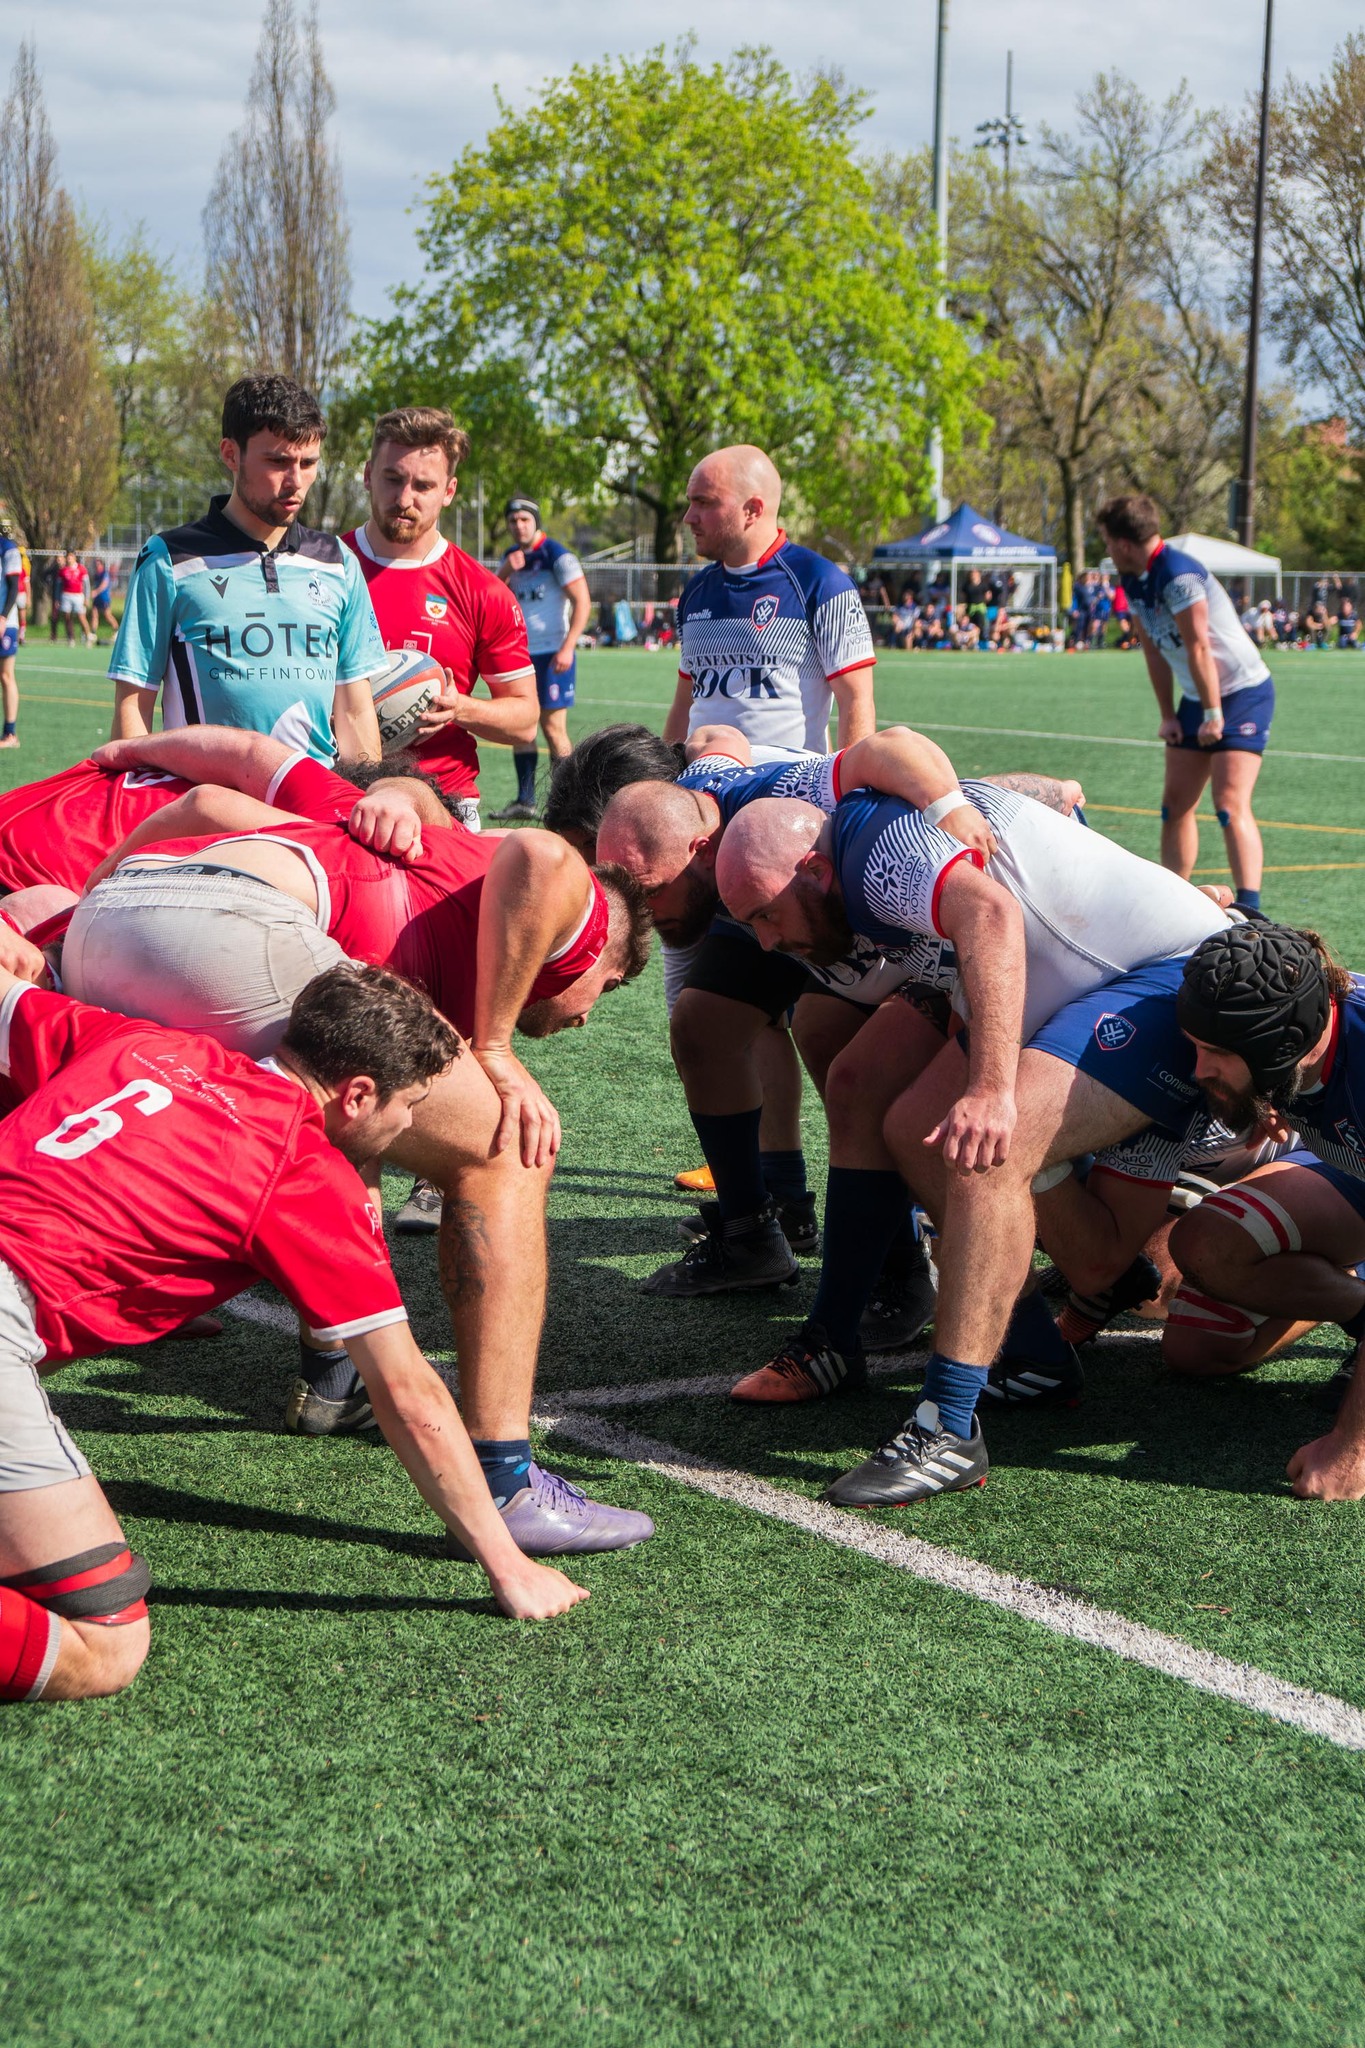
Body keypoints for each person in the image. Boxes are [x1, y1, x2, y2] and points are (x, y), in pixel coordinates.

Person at [49, 725, 656, 1558]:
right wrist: (494, 1046)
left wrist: (91, 912)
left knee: (341, 1123)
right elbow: (545, 859)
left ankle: (332, 1374)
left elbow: (201, 802)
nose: (588, 1014)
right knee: (509, 1149)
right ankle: (506, 1479)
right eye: (609, 988)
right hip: (236, 932)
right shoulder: (582, 918)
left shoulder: (356, 823)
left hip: (116, 917)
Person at [0, 959, 592, 1705]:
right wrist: (509, 1566)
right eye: (409, 1104)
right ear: (358, 1095)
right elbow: (408, 1394)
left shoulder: (141, 1045)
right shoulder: (303, 1172)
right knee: (103, 1643)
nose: (409, 1126)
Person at [710, 777, 1231, 1483]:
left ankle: (946, 1427)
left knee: (992, 1154)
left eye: (768, 916)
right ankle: (1031, 1356)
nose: (769, 941)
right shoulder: (849, 850)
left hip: (1167, 980)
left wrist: (990, 1090)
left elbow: (987, 913)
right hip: (1080, 988)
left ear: (813, 870)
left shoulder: (871, 858)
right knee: (918, 1127)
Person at [638, 443, 878, 1286]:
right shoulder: (699, 589)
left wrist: (845, 810)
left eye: (704, 503)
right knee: (708, 1017)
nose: (691, 517)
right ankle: (773, 1200)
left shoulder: (819, 580)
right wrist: (665, 778)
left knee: (800, 1017)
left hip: (779, 823)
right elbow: (690, 699)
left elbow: (857, 705)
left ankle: (830, 1206)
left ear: (753, 506)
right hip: (702, 814)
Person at [1159, 923, 1365, 1502]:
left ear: (1288, 1041)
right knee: (1196, 1336)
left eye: (1218, 1053)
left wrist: (1353, 1447)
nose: (1199, 1069)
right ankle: (1357, 1302)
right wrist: (1270, 1096)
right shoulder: (1296, 1027)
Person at [109, 375, 385, 765]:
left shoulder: (337, 562)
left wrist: (360, 798)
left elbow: (355, 712)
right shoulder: (170, 559)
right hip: (208, 807)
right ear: (230, 454)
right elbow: (133, 708)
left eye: (308, 464)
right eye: (278, 461)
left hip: (312, 810)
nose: (296, 481)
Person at [343, 408, 537, 830]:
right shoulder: (320, 569)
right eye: (393, 479)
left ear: (448, 491)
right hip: (338, 793)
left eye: (424, 485)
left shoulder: (482, 591)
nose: (405, 498)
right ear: (367, 475)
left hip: (444, 803)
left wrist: (459, 708)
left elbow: (524, 719)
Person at [1100, 494, 1273, 915]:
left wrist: (1214, 715)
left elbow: (1198, 647)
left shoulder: (1178, 574)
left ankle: (1251, 909)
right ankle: (1173, 904)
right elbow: (1155, 651)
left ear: (1123, 543)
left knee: (1229, 805)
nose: (1105, 549)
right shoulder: (1133, 579)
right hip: (1197, 694)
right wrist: (1168, 715)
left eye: (1106, 541)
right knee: (1174, 805)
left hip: (1241, 693)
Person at [495, 498, 592, 820]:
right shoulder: (512, 557)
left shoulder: (557, 555)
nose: (518, 525)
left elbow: (582, 602)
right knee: (522, 728)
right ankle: (525, 800)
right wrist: (507, 569)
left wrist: (567, 647)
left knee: (552, 729)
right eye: (513, 521)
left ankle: (564, 802)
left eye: (524, 519)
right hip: (519, 654)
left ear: (535, 521)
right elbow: (494, 595)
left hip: (552, 654)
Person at [0, 520, 20, 749]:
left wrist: (3, 616)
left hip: (5, 622)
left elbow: (13, 586)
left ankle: (10, 733)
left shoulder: (8, 549)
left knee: (6, 676)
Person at [53, 553, 90, 645]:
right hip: (66, 595)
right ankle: (71, 638)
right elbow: (58, 586)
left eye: (71, 557)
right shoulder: (63, 570)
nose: (69, 559)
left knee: (81, 616)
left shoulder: (81, 569)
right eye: (68, 557)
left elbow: (86, 585)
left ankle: (88, 635)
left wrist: (86, 598)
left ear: (74, 558)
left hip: (78, 596)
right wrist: (57, 599)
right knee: (67, 617)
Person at [88, 558, 116, 644]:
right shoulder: (96, 575)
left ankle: (116, 630)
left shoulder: (105, 574)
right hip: (96, 599)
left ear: (102, 565)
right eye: (95, 564)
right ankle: (93, 633)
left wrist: (96, 592)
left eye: (98, 564)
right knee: (94, 615)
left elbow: (104, 585)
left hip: (104, 598)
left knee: (107, 615)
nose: (96, 566)